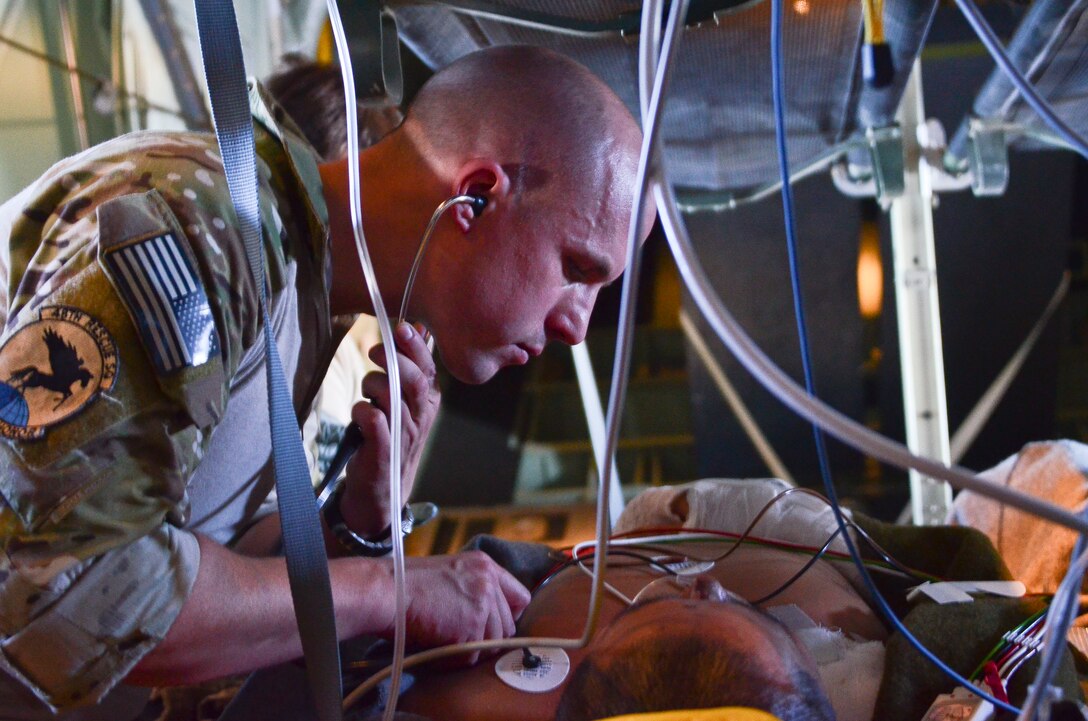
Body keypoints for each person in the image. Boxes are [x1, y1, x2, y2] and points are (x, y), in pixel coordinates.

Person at [0, 45, 650, 719]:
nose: (577, 324)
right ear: (477, 195)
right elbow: (68, 597)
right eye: (577, 267)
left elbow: (203, 553)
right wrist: (387, 589)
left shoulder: (304, 292)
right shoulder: (202, 237)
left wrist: (356, 528)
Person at [390, 468, 1084, 721]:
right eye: (740, 611)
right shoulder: (888, 662)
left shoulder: (495, 687)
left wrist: (369, 555)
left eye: (667, 605)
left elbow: (348, 679)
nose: (708, 583)